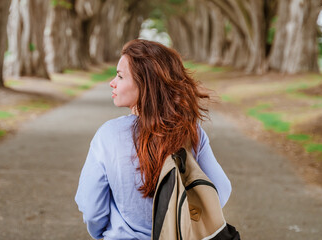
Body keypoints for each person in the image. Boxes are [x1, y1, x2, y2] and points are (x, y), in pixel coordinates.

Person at [75, 39, 232, 240]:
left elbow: (92, 209)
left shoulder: (108, 135)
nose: (112, 82)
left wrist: (105, 234)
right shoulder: (190, 131)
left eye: (120, 76)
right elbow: (220, 191)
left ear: (145, 84)